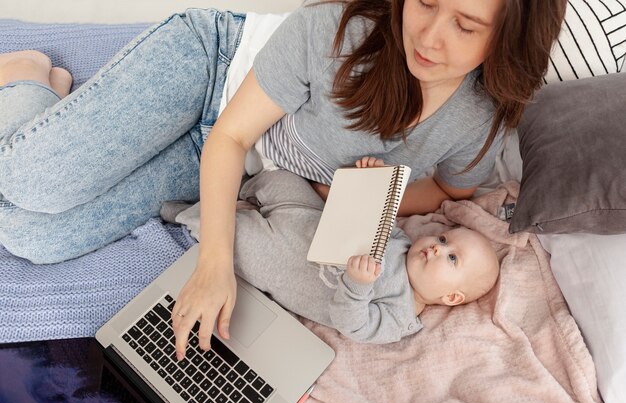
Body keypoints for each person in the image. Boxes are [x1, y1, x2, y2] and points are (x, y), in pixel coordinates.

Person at [0, 0, 567, 360]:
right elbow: (229, 136)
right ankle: (26, 74)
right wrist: (213, 266)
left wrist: (351, 197)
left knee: (32, 238)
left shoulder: (476, 118)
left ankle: (50, 100)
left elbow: (450, 192)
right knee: (26, 180)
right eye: (424, 1)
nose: (430, 36)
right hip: (215, 78)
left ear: (506, 39)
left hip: (243, 164)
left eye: (465, 26)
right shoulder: (335, 34)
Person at [231, 163, 499, 343]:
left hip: (286, 263)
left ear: (451, 296)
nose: (439, 247)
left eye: (452, 258)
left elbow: (352, 326)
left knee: (228, 235)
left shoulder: (401, 315)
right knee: (280, 178)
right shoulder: (404, 243)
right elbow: (374, 215)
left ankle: (204, 219)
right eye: (443, 238)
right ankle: (235, 183)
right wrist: (374, 180)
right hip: (308, 217)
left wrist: (358, 286)